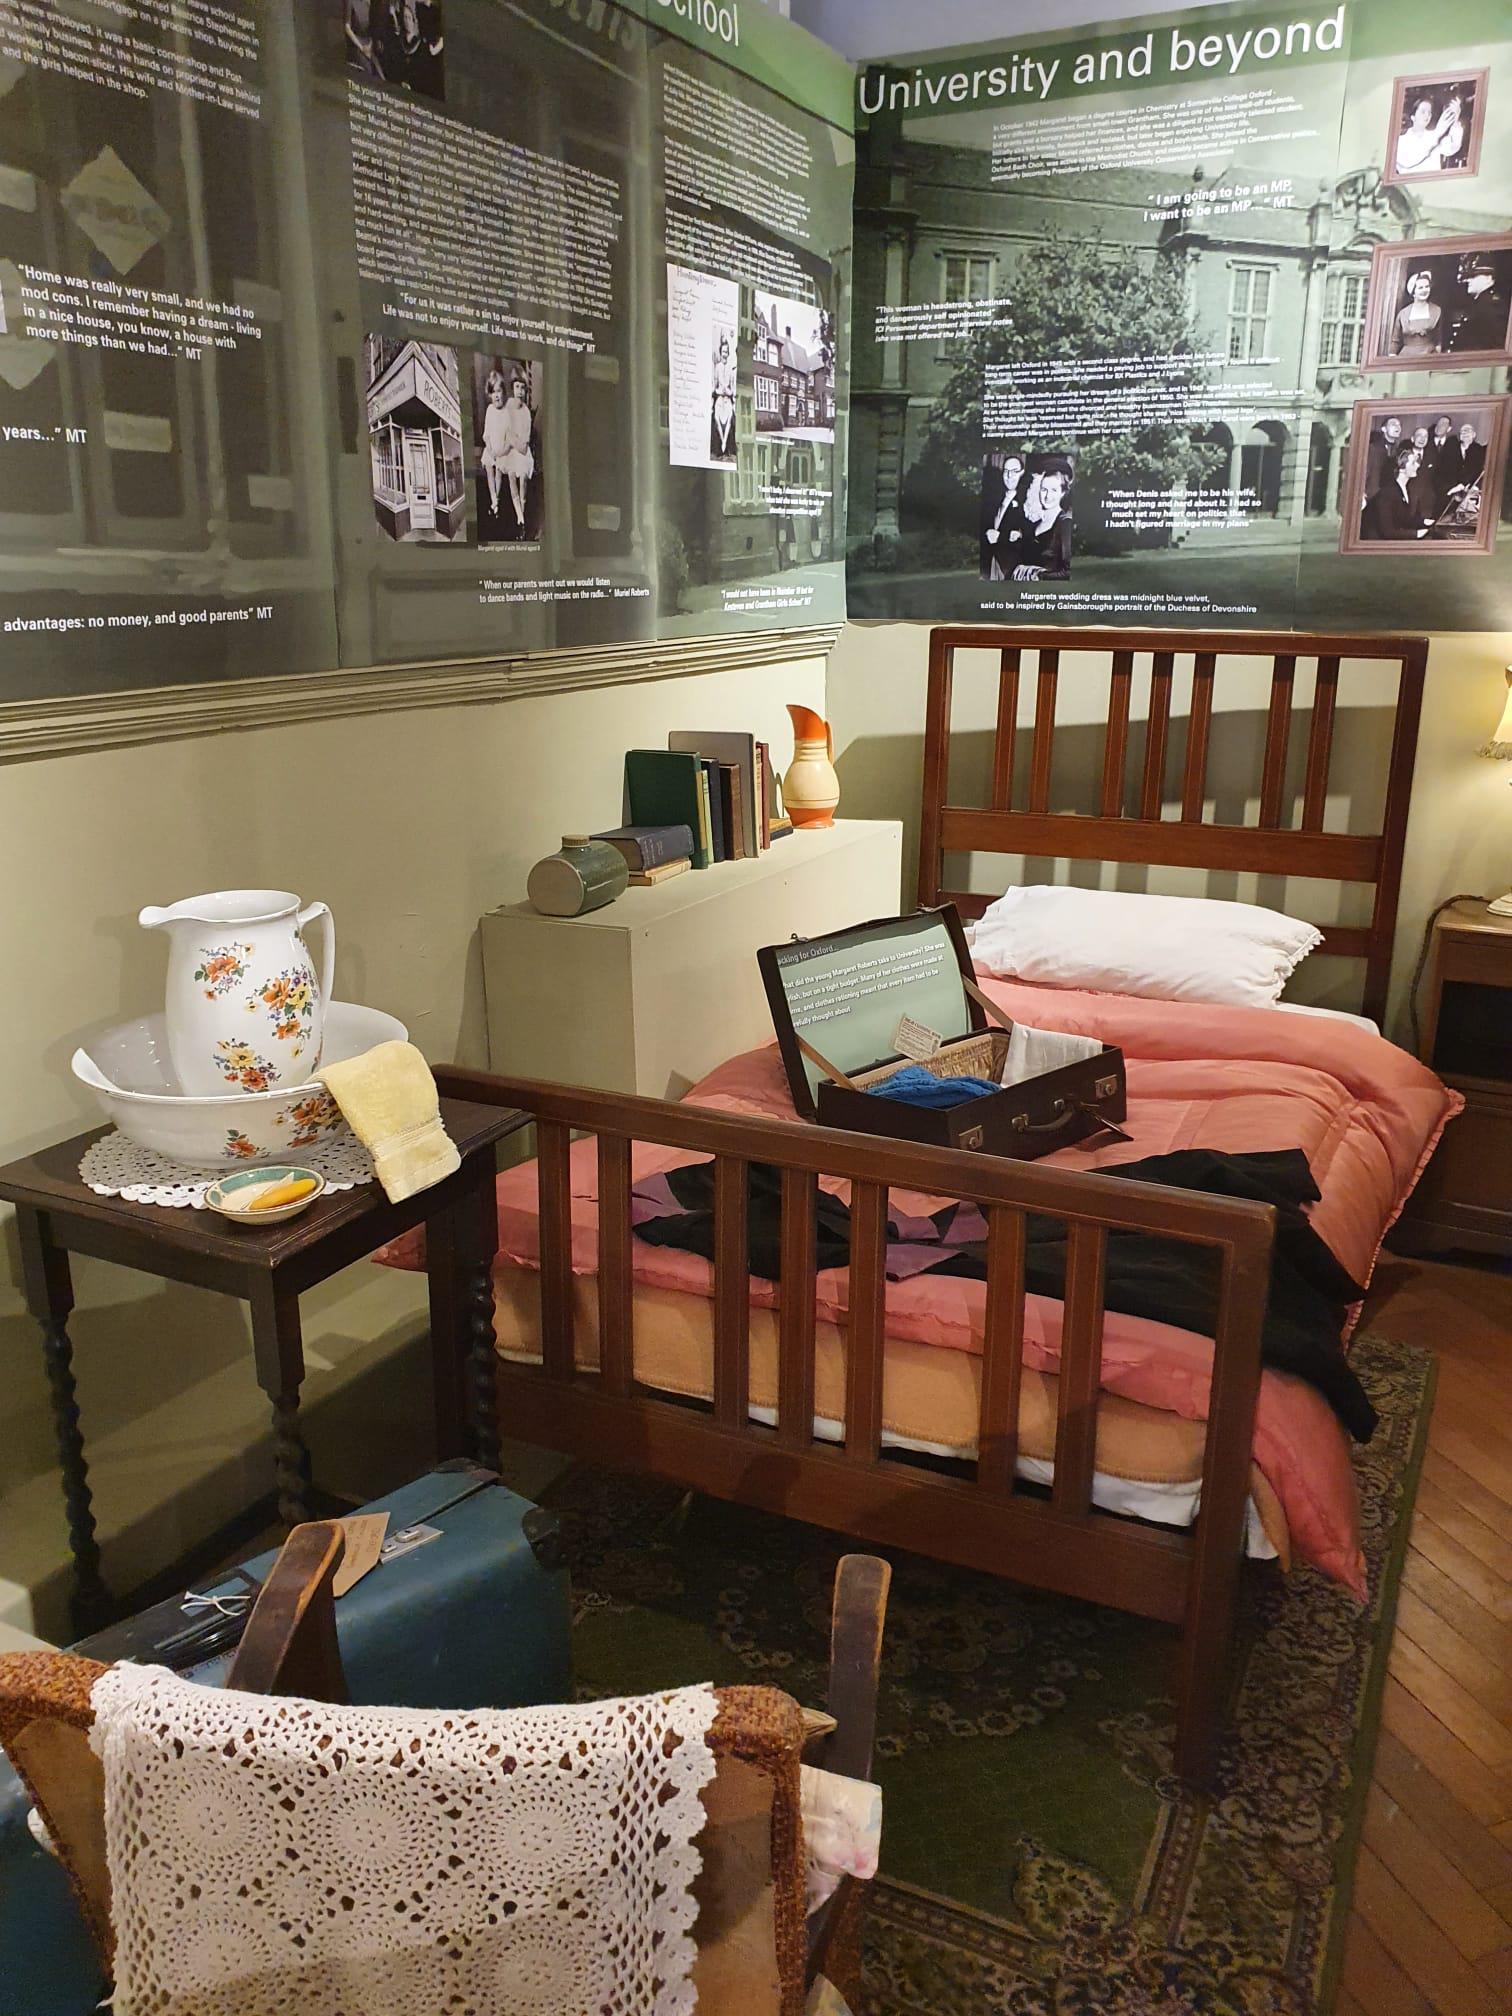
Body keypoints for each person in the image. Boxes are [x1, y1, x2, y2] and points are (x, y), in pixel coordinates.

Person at [1362, 444, 1434, 541]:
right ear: (1401, 468)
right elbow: (1387, 532)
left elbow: (1404, 519)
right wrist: (1416, 534)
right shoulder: (1387, 494)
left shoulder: (1405, 489)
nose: (1417, 465)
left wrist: (1424, 522)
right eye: (1413, 463)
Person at [1012, 466, 1072, 580]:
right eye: (1044, 489)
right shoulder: (1035, 524)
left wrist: (1039, 575)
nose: (1047, 496)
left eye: (1054, 490)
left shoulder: (1065, 524)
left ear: (1062, 493)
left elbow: (1067, 572)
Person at [979, 454, 1029, 580]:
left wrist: (1016, 535)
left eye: (1014, 471)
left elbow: (1028, 534)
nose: (1009, 476)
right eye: (1006, 471)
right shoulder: (993, 498)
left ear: (1022, 473)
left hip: (1010, 565)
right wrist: (987, 532)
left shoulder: (1027, 501)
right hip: (990, 561)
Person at [1394, 92, 1465, 176]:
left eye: (1429, 112)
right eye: (1423, 112)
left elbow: (1454, 147)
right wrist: (1437, 133)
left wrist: (1455, 121)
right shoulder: (1401, 141)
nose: (1427, 115)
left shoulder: (1434, 135)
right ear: (1413, 117)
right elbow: (1408, 162)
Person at [1449, 259, 1509, 356]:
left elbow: (1496, 344)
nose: (1468, 280)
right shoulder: (1478, 303)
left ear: (1488, 279)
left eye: (1474, 276)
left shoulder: (1491, 306)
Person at [1392, 270, 1443, 357]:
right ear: (1413, 292)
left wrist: (1437, 357)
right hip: (1407, 357)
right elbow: (1396, 341)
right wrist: (1392, 357)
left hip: (1429, 356)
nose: (1424, 290)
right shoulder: (1403, 314)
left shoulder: (1436, 310)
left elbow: (1438, 339)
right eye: (1420, 288)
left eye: (1427, 287)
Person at [1439, 420, 1486, 501]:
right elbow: (1444, 470)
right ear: (1460, 436)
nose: (1465, 433)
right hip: (1449, 491)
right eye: (1463, 431)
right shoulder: (1451, 449)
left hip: (1469, 491)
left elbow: (1477, 470)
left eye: (1468, 431)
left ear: (1474, 435)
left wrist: (1464, 486)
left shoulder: (1479, 451)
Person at [710, 334, 736, 461]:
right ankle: (722, 442)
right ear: (721, 353)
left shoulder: (731, 369)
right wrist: (720, 391)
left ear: (728, 353)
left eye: (726, 352)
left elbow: (733, 390)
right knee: (716, 417)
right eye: (723, 352)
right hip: (720, 398)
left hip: (727, 399)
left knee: (730, 417)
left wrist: (729, 392)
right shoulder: (717, 368)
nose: (725, 354)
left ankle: (724, 443)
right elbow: (714, 387)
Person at [1364, 415, 1403, 498]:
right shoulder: (1373, 448)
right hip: (1373, 495)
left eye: (1399, 425)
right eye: (1393, 424)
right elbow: (1365, 472)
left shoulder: (1399, 451)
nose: (1398, 427)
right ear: (1384, 429)